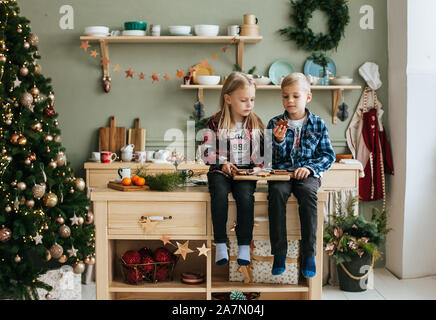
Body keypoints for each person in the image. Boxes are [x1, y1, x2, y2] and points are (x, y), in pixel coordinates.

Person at [267, 72, 335, 277]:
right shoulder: (274, 123)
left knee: (307, 195)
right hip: (282, 173)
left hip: (308, 174)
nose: (290, 100)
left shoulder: (318, 124)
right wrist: (278, 142)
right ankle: (279, 253)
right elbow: (267, 159)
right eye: (285, 96)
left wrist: (310, 168)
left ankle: (309, 255)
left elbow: (327, 155)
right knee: (277, 194)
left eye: (296, 96)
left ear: (308, 97)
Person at [201, 72, 264, 266]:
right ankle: (221, 242)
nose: (249, 104)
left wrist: (257, 169)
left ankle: (244, 245)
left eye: (252, 99)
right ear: (228, 98)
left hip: (245, 172)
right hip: (220, 171)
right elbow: (205, 151)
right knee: (219, 194)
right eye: (244, 100)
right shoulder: (214, 122)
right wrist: (221, 163)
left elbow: (262, 154)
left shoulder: (256, 123)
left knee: (245, 197)